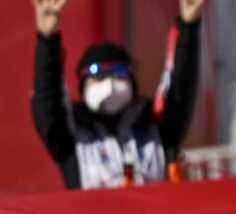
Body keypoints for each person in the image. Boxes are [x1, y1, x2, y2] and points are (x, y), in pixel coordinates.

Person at [31, 0, 204, 190]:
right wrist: (47, 39)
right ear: (83, 86)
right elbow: (47, 98)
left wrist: (189, 25)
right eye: (97, 77)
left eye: (118, 74)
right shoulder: (70, 138)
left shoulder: (157, 127)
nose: (109, 83)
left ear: (131, 81)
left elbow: (181, 84)